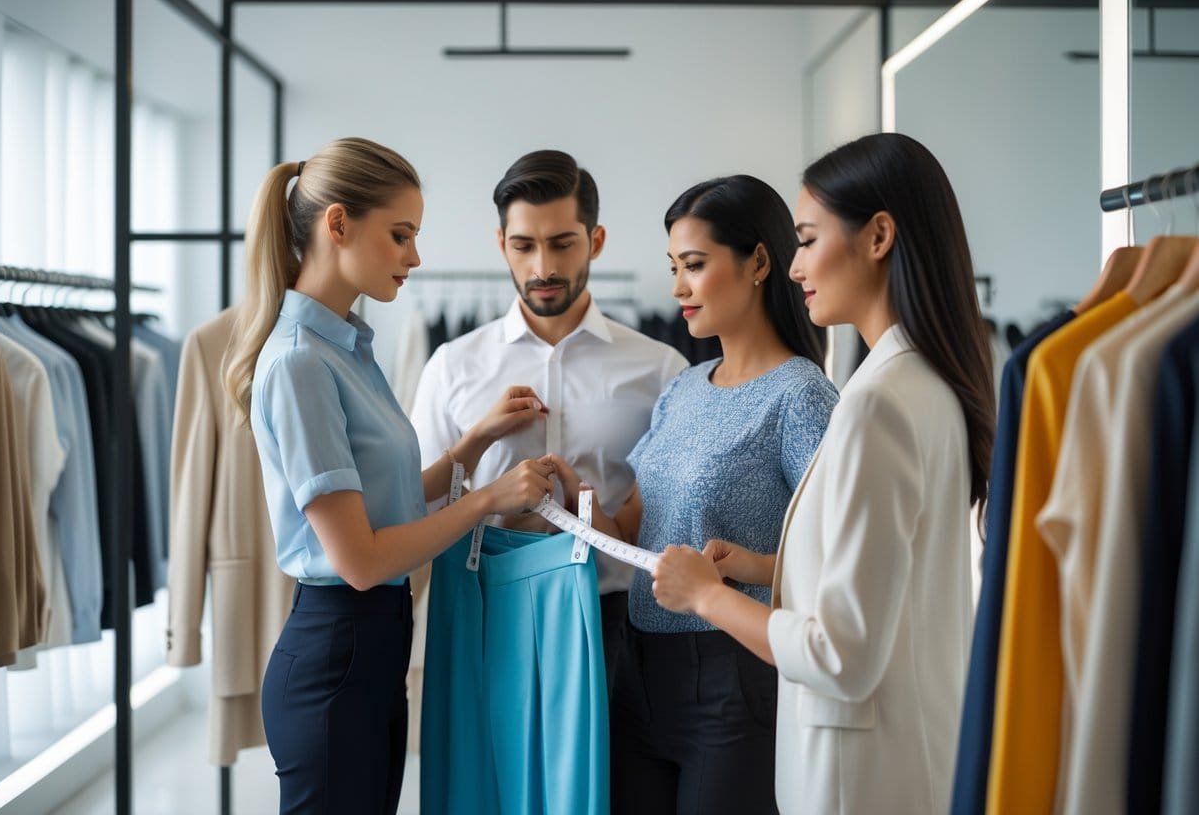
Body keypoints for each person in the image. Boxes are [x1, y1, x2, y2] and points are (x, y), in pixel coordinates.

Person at [650, 133, 995, 814]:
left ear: (877, 237)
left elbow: (842, 653)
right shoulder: (924, 383)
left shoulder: (876, 404)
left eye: (806, 240)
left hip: (855, 775)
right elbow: (886, 585)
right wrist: (761, 568)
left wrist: (705, 598)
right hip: (906, 754)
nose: (795, 266)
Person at [221, 137, 556, 813]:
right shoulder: (299, 364)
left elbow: (385, 502)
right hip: (338, 652)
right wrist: (487, 496)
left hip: (370, 651)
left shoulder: (343, 346)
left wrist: (472, 444)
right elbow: (362, 560)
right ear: (338, 224)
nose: (414, 257)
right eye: (400, 235)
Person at [551, 174, 838, 814]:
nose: (677, 287)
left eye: (695, 265)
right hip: (637, 671)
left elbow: (836, 563)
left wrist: (744, 572)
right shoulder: (684, 387)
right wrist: (579, 503)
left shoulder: (803, 396)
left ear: (759, 261)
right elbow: (636, 529)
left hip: (733, 677)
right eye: (674, 267)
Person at [410, 149, 688, 681]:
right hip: (487, 611)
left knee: (610, 768)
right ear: (502, 246)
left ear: (596, 241)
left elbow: (671, 521)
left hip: (617, 628)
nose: (543, 268)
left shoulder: (661, 370)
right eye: (524, 246)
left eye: (562, 244)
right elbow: (416, 507)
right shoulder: (452, 365)